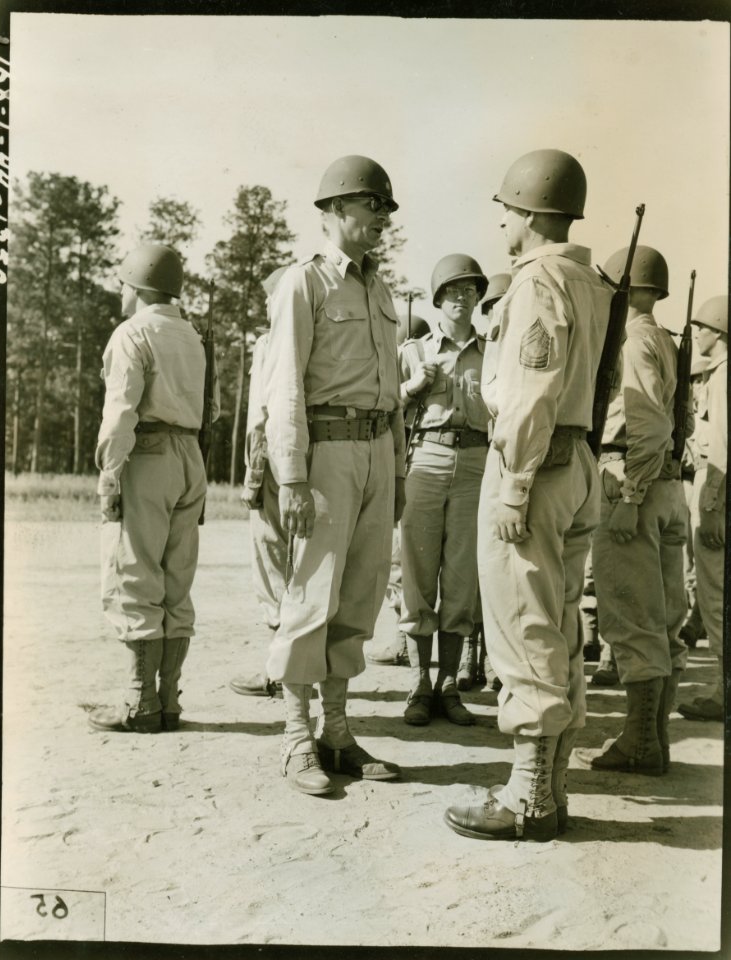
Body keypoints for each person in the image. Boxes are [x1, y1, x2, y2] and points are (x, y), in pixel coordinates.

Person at [444, 149, 612, 841]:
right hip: (574, 464)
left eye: (507, 210)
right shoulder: (591, 280)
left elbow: (527, 393)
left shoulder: (539, 282)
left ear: (529, 213)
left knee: (524, 626)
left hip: (533, 469)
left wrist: (512, 485)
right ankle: (552, 786)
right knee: (560, 624)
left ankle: (528, 799)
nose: (503, 222)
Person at [262, 155, 406, 795]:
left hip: (377, 451)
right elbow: (284, 386)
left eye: (385, 210)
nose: (382, 220)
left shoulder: (379, 289)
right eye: (373, 207)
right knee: (311, 594)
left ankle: (338, 731)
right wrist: (290, 477)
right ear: (337, 209)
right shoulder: (305, 283)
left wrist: (397, 469)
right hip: (325, 454)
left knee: (359, 595)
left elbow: (394, 392)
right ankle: (297, 737)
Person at [90, 243, 214, 734]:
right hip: (190, 457)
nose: (120, 293)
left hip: (147, 455)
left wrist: (109, 476)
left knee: (134, 575)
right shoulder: (193, 335)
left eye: (123, 283)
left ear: (138, 286)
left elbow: (120, 414)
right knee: (176, 580)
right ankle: (168, 701)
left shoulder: (132, 333)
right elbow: (212, 409)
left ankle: (140, 703)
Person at [580, 246, 688, 776]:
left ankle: (641, 743)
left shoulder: (634, 339)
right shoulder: (663, 338)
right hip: (664, 489)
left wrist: (628, 497)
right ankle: (654, 739)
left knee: (631, 619)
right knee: (662, 621)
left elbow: (649, 425)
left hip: (632, 482)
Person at [398, 254, 489, 727]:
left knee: (461, 577)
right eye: (454, 290)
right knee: (417, 571)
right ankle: (418, 683)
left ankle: (449, 684)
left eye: (471, 290)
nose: (463, 297)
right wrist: (413, 388)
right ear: (437, 298)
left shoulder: (492, 352)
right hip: (426, 458)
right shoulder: (414, 351)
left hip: (477, 462)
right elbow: (385, 408)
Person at [229, 266, 290, 698]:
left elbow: (262, 418)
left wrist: (253, 473)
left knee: (272, 565)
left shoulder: (271, 344)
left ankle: (279, 670)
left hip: (272, 465)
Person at [366, 313, 430, 667]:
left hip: (408, 468)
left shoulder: (415, 370)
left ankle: (405, 645)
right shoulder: (407, 373)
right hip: (397, 468)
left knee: (400, 565)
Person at [458, 271, 511, 692]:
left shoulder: (512, 352)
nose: (496, 316)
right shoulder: (479, 354)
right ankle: (469, 657)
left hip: (505, 464)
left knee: (498, 573)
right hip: (480, 462)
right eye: (490, 308)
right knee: (471, 572)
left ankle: (495, 660)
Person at [678, 295, 727, 722]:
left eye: (704, 328)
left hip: (716, 496)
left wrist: (710, 505)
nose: (698, 334)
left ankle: (722, 692)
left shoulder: (723, 378)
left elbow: (723, 451)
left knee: (714, 597)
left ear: (721, 331)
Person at [677, 354, 710, 649]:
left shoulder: (711, 413)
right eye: (695, 381)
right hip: (685, 483)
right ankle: (693, 617)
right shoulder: (690, 411)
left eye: (701, 380)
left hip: (702, 482)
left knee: (701, 557)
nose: (698, 386)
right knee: (687, 556)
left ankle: (697, 620)